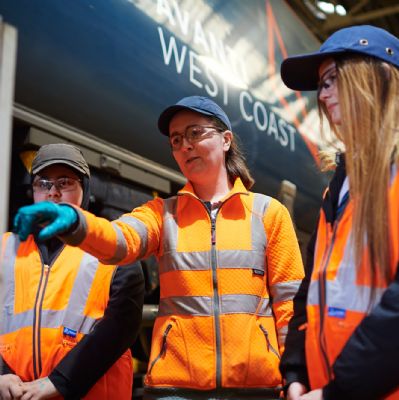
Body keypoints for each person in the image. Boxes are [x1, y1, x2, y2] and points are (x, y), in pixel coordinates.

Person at [12, 96, 304, 400]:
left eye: (195, 133)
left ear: (226, 140)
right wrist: (76, 221)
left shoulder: (269, 214)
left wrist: (293, 375)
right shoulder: (163, 214)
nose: (184, 146)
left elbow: (290, 307)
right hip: (174, 390)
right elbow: (119, 239)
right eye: (176, 140)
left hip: (256, 389)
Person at [279, 25, 399, 400]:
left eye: (332, 79)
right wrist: (296, 371)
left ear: (376, 78)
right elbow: (310, 290)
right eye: (321, 84)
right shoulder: (339, 187)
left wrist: (339, 390)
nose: (323, 94)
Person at [1, 143, 145, 399]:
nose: (53, 193)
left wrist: (60, 382)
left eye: (64, 182)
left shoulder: (112, 252)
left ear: (85, 190)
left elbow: (121, 327)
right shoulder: (5, 248)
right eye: (43, 183)